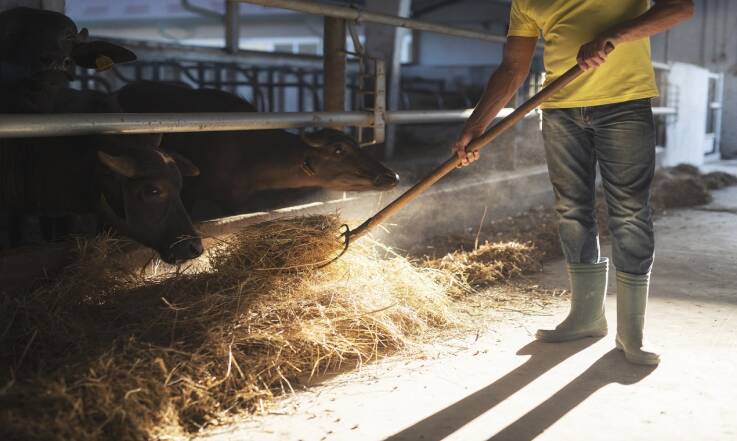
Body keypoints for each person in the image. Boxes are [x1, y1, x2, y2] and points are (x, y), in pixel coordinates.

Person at [454, 0, 694, 365]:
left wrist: (611, 37)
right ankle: (586, 316)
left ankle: (632, 333)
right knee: (571, 211)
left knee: (629, 212)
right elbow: (513, 66)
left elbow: (680, 8)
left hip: (625, 104)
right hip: (559, 110)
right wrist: (477, 124)